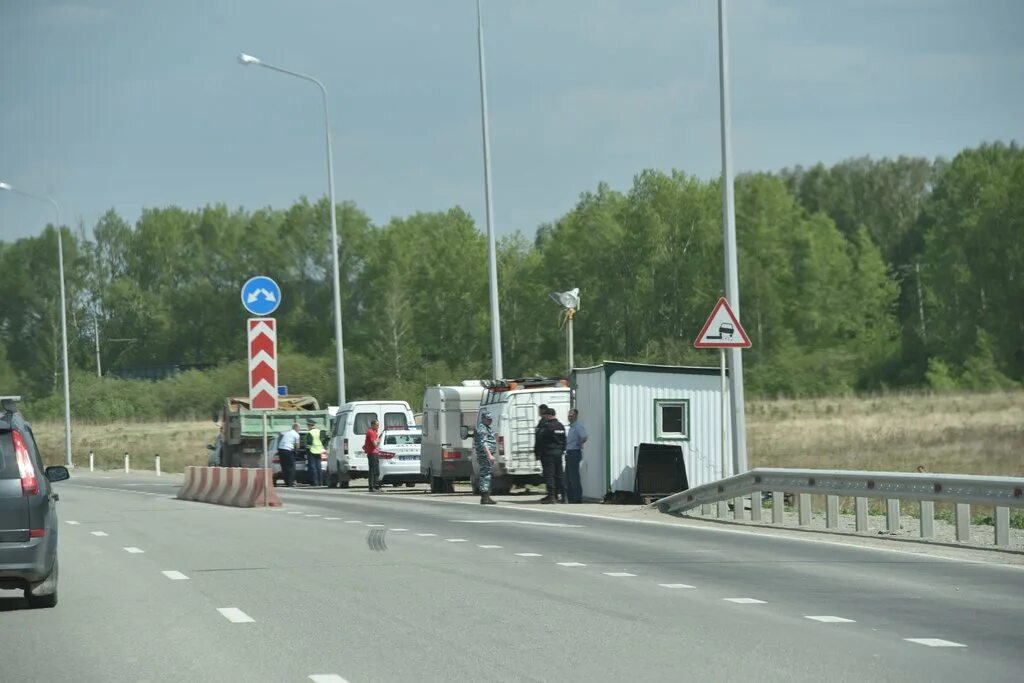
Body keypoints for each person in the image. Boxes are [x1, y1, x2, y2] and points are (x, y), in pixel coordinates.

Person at [534, 408, 567, 504]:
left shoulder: (546, 427)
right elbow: (564, 440)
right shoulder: (561, 426)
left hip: (548, 454)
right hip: (559, 453)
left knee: (549, 475)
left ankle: (551, 496)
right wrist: (562, 450)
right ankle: (564, 496)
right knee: (560, 475)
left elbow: (540, 440)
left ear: (548, 415)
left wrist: (538, 453)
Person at [474, 409, 498, 505]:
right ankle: (485, 497)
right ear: (483, 418)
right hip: (484, 456)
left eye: (491, 419)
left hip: (487, 455)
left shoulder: (486, 427)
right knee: (485, 475)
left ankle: (486, 496)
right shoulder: (482, 428)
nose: (490, 421)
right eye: (488, 419)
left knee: (487, 474)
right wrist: (489, 455)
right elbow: (483, 443)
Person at [565, 408, 588, 504]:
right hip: (569, 453)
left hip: (574, 452)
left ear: (576, 416)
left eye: (572, 415)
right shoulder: (571, 427)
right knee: (568, 477)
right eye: (569, 415)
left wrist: (578, 444)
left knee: (574, 477)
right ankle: (570, 498)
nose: (570, 417)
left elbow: (584, 436)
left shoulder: (578, 426)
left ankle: (577, 498)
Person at [277, 422, 301, 487]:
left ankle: (287, 482)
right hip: (287, 451)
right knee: (291, 467)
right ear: (296, 427)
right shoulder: (296, 434)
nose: (299, 429)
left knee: (284, 467)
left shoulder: (287, 433)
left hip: (281, 450)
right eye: (299, 428)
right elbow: (297, 446)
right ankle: (291, 483)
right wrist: (296, 452)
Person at [304, 418, 326, 487]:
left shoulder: (310, 433)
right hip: (319, 450)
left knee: (313, 467)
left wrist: (305, 452)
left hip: (312, 450)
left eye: (308, 425)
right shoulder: (319, 431)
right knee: (319, 467)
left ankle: (315, 482)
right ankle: (321, 482)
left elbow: (308, 444)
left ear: (309, 425)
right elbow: (323, 440)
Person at [364, 419, 382, 492]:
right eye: (377, 425)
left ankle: (376, 485)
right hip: (372, 453)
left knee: (377, 470)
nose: (378, 427)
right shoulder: (371, 432)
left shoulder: (374, 432)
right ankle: (371, 486)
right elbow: (375, 444)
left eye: (378, 425)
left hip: (375, 452)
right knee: (373, 470)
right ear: (373, 425)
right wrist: (378, 440)